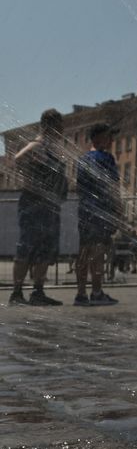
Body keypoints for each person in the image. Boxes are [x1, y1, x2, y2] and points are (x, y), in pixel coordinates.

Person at [8, 109, 68, 306]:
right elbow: (18, 159)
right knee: (27, 246)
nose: (61, 131)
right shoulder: (38, 144)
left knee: (45, 249)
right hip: (34, 203)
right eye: (59, 127)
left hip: (50, 205)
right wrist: (33, 184)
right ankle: (17, 293)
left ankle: (38, 292)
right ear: (49, 126)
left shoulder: (53, 148)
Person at [72, 123, 122, 306]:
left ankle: (80, 294)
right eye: (109, 136)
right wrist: (119, 210)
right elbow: (113, 188)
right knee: (99, 253)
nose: (112, 140)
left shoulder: (82, 160)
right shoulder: (107, 158)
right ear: (99, 138)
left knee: (84, 252)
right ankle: (97, 293)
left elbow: (79, 187)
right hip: (101, 211)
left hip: (85, 210)